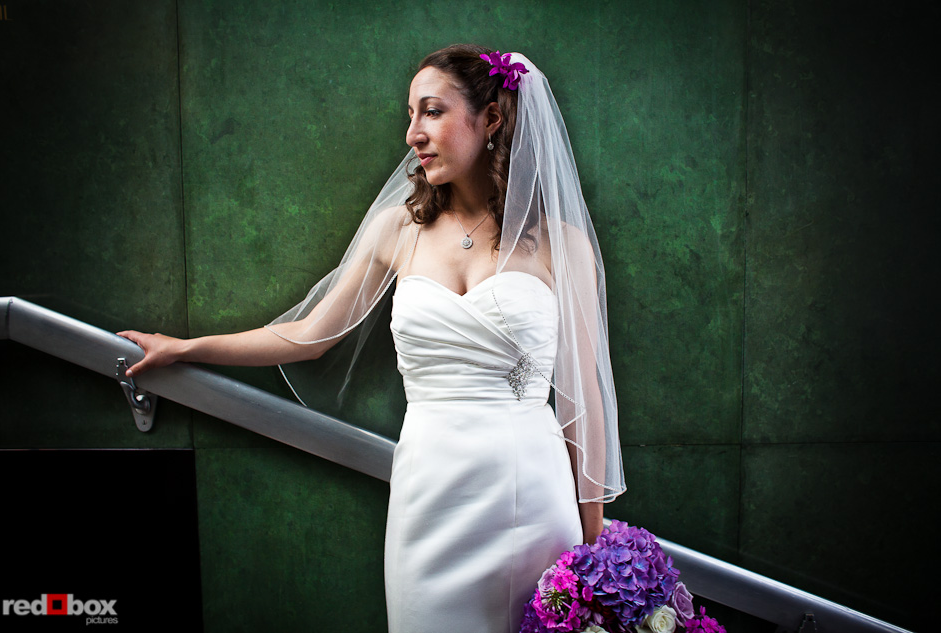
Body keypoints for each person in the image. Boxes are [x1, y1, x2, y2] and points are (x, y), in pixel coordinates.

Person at [118, 44, 625, 633]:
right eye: (409, 115)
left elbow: (583, 398)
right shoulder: (398, 230)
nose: (413, 133)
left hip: (531, 497)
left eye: (431, 112)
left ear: (490, 119)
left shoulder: (561, 244)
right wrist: (186, 348)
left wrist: (593, 548)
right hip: (429, 491)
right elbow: (309, 335)